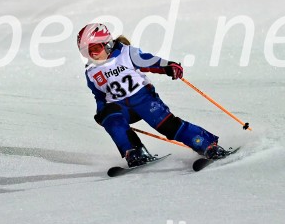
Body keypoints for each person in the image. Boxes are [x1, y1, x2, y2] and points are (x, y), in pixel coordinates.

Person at [78, 22, 228, 167]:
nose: (93, 54)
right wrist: (101, 112)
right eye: (87, 51)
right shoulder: (91, 71)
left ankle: (207, 145)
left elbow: (148, 60)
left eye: (96, 48)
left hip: (144, 99)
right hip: (121, 108)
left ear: (107, 43)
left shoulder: (126, 53)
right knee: (111, 117)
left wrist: (168, 66)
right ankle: (135, 152)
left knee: (167, 126)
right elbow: (99, 96)